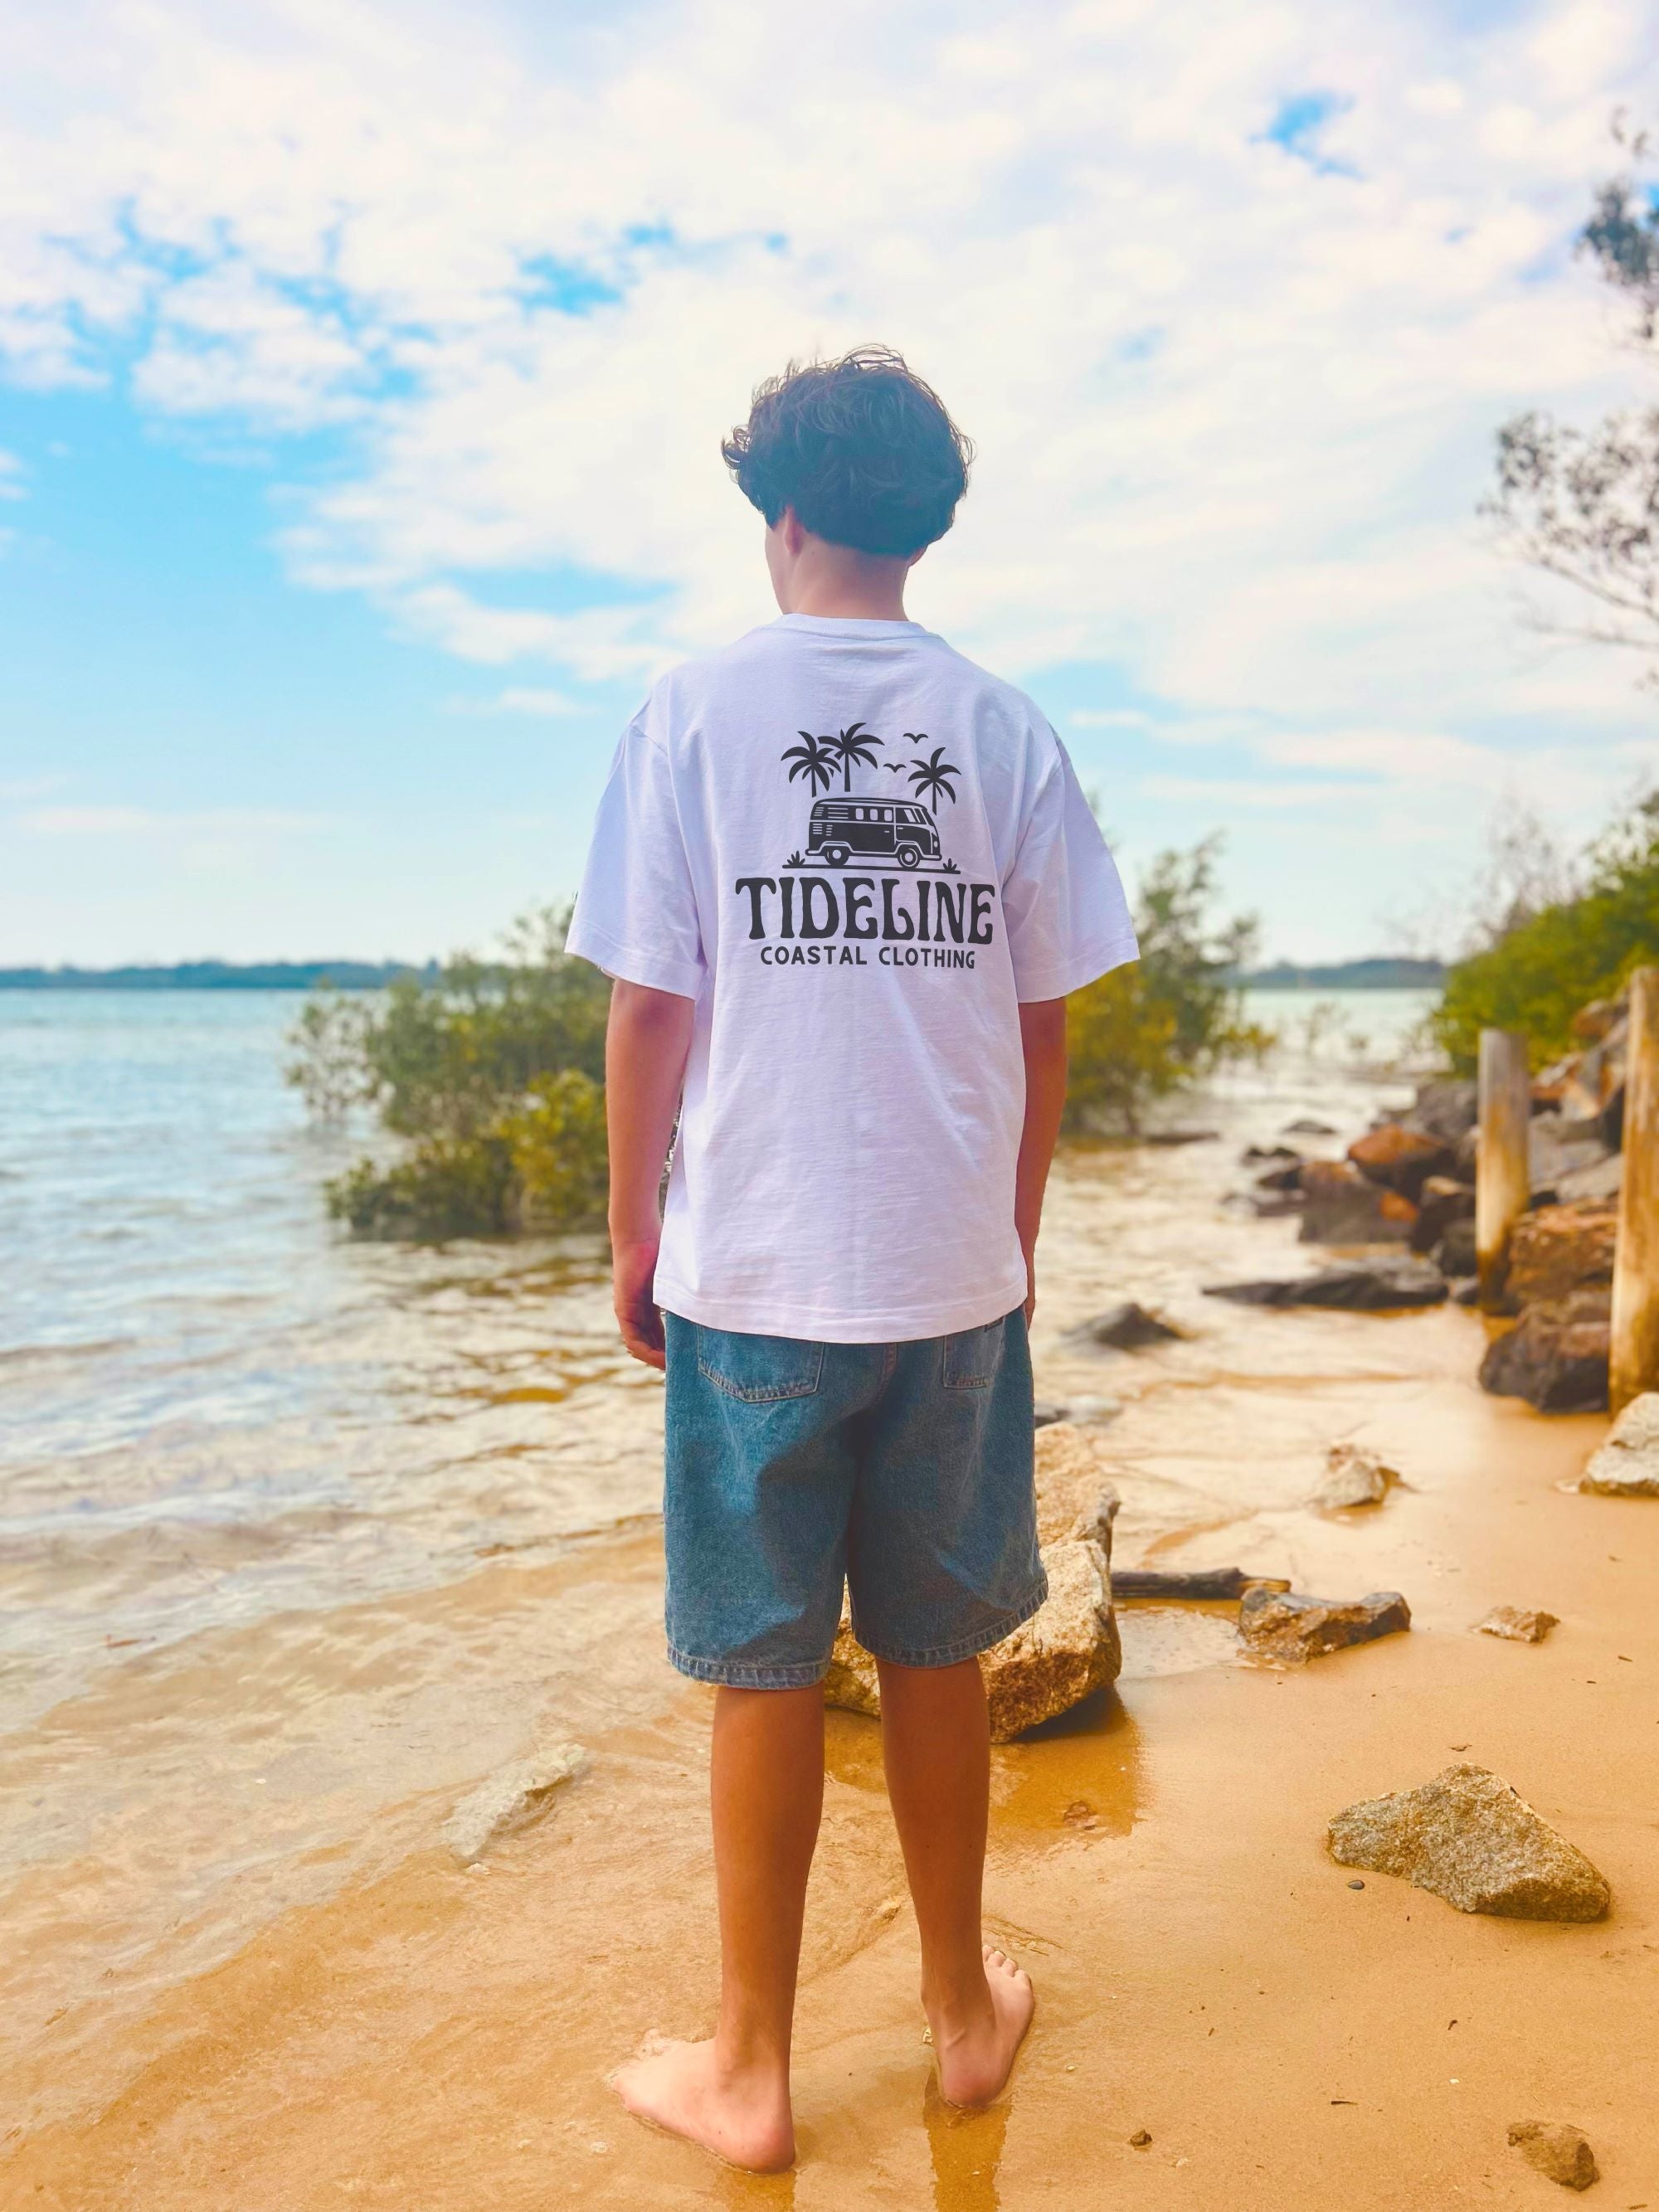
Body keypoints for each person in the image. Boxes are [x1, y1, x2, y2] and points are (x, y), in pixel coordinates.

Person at [565, 346, 1137, 2171]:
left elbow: (654, 1006)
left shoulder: (691, 713)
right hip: (953, 1273)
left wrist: (632, 1223)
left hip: (758, 1273)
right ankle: (962, 2013)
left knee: (764, 1666)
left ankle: (751, 2067)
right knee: (942, 1648)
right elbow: (1041, 1028)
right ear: (920, 523)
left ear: (781, 516)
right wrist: (1015, 1224)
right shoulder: (1006, 726)